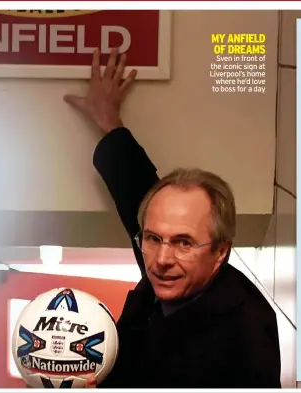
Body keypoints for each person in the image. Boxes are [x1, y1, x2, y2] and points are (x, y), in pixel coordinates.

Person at [64, 48, 281, 388]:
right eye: (152, 238)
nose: (162, 260)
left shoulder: (244, 343)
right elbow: (137, 189)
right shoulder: (176, 266)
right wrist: (110, 122)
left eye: (183, 242)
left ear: (220, 251)